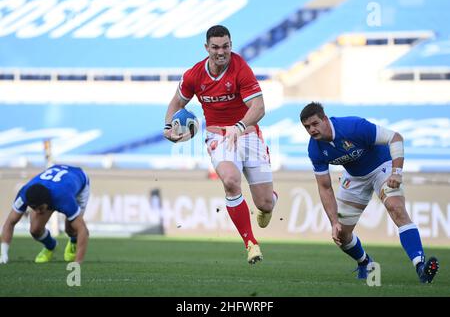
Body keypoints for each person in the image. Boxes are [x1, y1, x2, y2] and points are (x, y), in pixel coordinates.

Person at [163, 25, 277, 264]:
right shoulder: (194, 75)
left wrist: (239, 127)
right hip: (218, 136)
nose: (221, 52)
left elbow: (259, 107)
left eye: (225, 46)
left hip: (248, 133)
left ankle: (269, 202)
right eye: (215, 47)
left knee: (265, 203)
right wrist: (167, 128)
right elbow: (176, 103)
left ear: (231, 45)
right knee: (230, 181)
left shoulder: (241, 69)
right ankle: (251, 243)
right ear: (207, 48)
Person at [300, 102, 439, 283]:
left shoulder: (353, 126)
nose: (312, 130)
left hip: (382, 167)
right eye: (307, 127)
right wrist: (334, 221)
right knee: (341, 235)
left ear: (325, 119)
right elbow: (324, 187)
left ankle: (421, 266)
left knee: (396, 208)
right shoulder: (314, 149)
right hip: (354, 177)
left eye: (315, 124)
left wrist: (397, 172)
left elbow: (395, 137)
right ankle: (365, 262)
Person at [0, 164, 90, 264]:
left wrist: (78, 261)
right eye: (34, 208)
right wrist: (4, 254)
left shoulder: (64, 198)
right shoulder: (24, 194)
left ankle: (73, 241)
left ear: (48, 202)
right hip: (56, 181)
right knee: (35, 230)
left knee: (70, 229)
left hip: (79, 180)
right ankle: (50, 246)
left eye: (40, 208)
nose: (38, 212)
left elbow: (83, 230)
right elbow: (10, 222)